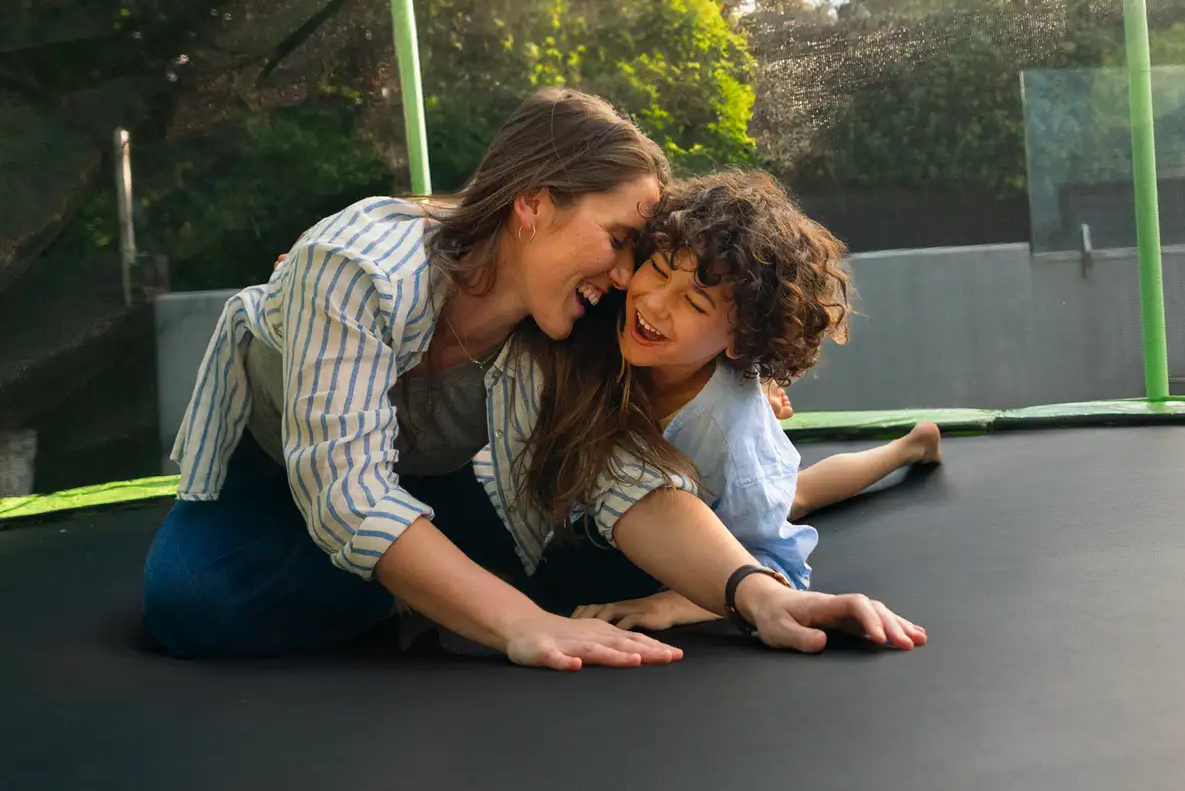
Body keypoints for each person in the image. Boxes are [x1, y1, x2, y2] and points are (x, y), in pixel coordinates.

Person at [143, 90, 925, 668]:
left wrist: (764, 597)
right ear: (534, 205)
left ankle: (415, 581)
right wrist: (514, 622)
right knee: (193, 605)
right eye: (621, 241)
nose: (626, 278)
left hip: (426, 478)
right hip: (274, 469)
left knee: (569, 570)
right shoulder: (356, 268)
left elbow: (617, 471)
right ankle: (409, 582)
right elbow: (348, 493)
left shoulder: (556, 324)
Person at [473, 171, 939, 633]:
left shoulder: (731, 434)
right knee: (794, 492)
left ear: (740, 338)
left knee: (794, 495)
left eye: (694, 305)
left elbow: (781, 568)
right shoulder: (605, 307)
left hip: (724, 478)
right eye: (655, 270)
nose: (654, 304)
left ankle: (910, 447)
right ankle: (909, 443)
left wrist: (674, 604)